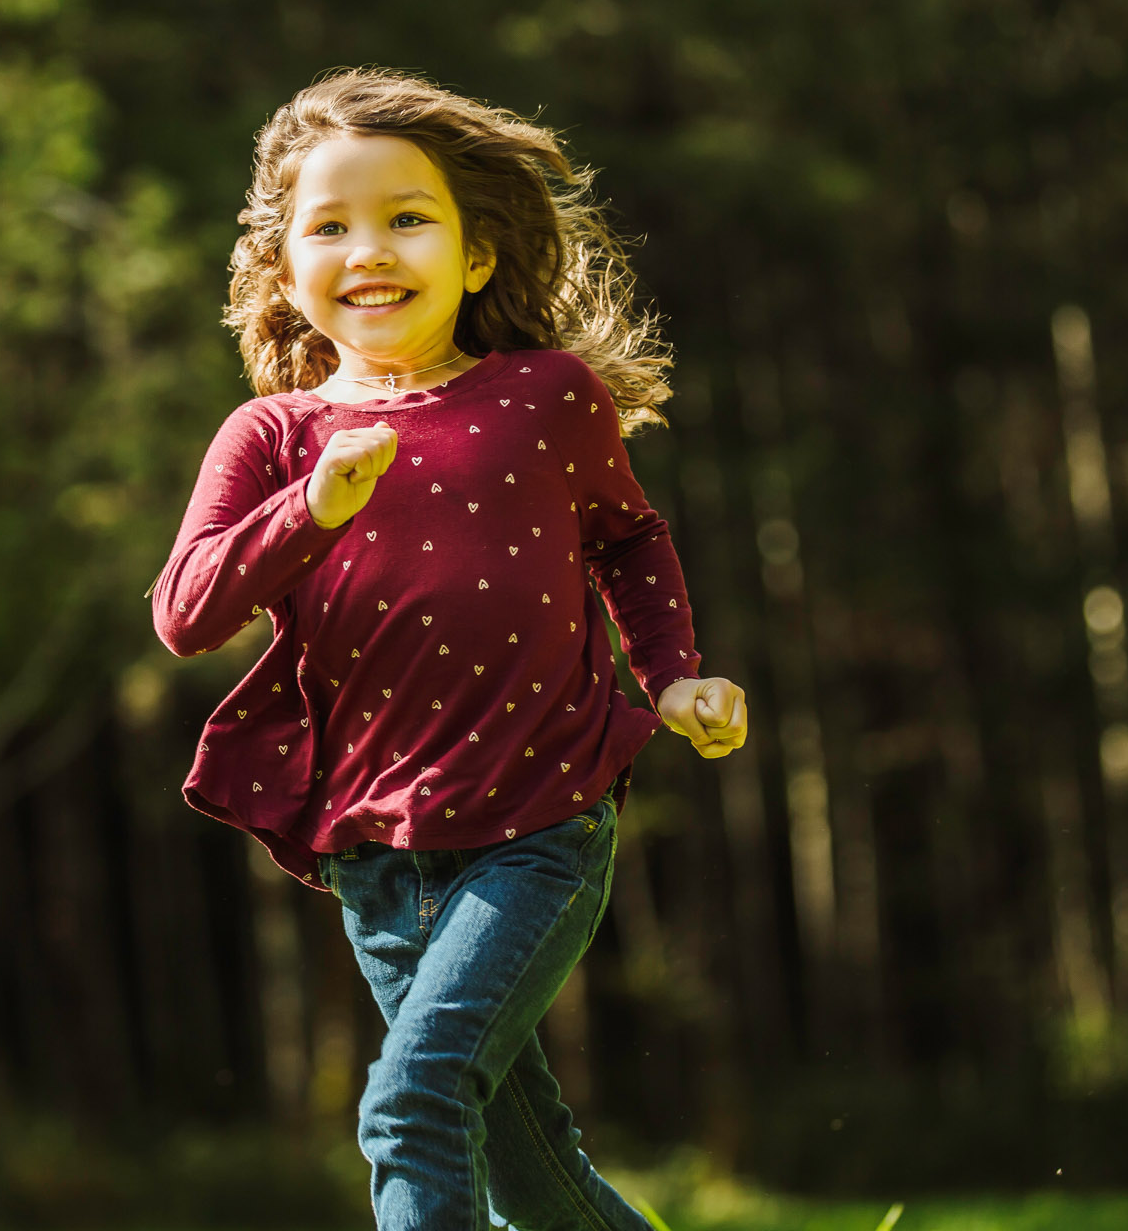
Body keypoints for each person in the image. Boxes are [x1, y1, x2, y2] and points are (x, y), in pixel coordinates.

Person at [152, 68, 748, 1231]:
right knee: (533, 1174)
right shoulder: (274, 436)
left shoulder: (544, 399)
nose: (368, 249)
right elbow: (184, 613)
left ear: (476, 257)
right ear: (284, 271)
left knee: (412, 1102)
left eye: (407, 218)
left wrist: (674, 676)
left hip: (541, 822)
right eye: (330, 226)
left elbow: (628, 537)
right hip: (377, 853)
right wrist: (308, 510)